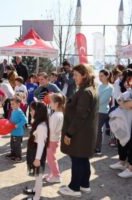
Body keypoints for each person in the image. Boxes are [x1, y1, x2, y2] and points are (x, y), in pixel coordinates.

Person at [59, 64, 98, 198]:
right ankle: (84, 185)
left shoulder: (86, 91)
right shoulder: (89, 89)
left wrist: (69, 133)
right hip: (84, 132)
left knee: (77, 159)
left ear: (84, 75)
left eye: (76, 75)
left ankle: (74, 187)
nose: (73, 77)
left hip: (80, 133)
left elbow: (80, 115)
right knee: (82, 159)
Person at [24, 102, 49, 200]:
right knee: (36, 174)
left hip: (38, 153)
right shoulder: (38, 123)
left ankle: (37, 197)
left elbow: (41, 144)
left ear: (38, 112)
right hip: (34, 150)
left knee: (39, 176)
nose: (30, 112)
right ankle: (35, 189)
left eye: (32, 110)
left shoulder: (41, 127)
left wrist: (38, 158)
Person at [109, 69, 132, 178]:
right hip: (124, 118)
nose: (127, 82)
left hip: (128, 118)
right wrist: (123, 103)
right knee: (122, 139)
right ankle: (122, 162)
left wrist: (124, 103)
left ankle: (130, 168)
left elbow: (127, 104)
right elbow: (120, 101)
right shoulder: (125, 87)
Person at [44, 93, 65, 183]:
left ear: (56, 104)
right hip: (54, 139)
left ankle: (56, 176)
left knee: (50, 158)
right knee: (50, 158)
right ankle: (52, 173)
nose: (49, 103)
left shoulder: (56, 115)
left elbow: (51, 129)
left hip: (51, 139)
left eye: (51, 102)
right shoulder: (59, 114)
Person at [95, 69, 114, 156]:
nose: (100, 78)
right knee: (95, 130)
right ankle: (94, 147)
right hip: (96, 110)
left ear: (107, 76)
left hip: (102, 112)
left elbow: (102, 101)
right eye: (99, 76)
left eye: (102, 76)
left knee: (98, 130)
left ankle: (98, 149)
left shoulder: (110, 87)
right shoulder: (99, 86)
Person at [6, 97, 28, 162]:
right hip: (13, 132)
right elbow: (11, 119)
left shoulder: (19, 111)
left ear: (18, 104)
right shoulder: (13, 110)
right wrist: (8, 123)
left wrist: (17, 125)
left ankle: (19, 157)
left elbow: (25, 120)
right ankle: (13, 154)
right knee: (12, 144)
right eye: (11, 104)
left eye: (13, 104)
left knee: (17, 145)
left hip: (18, 133)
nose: (11, 105)